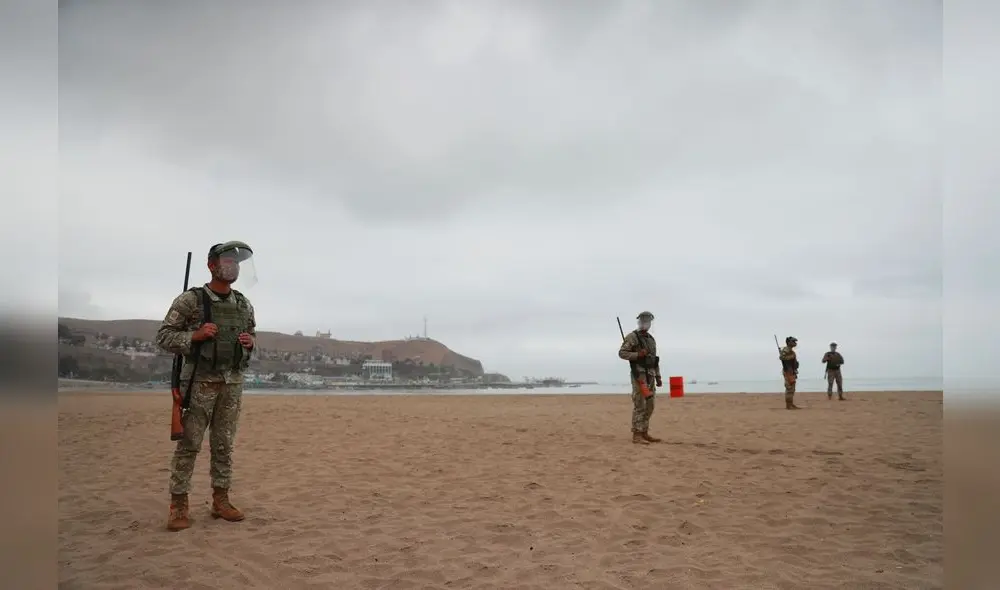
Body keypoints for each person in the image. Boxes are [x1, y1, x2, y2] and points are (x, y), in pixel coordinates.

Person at [155, 241, 258, 532]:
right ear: (212, 265)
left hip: (232, 384)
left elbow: (251, 335)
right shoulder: (192, 301)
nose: (233, 266)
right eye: (227, 260)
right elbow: (164, 336)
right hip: (199, 383)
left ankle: (221, 500)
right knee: (189, 445)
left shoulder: (243, 303)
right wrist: (195, 335)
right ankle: (178, 505)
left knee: (224, 445)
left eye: (237, 262)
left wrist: (250, 344)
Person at [618, 311, 662, 444]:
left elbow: (654, 360)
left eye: (648, 321)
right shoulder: (632, 337)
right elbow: (622, 353)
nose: (646, 323)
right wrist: (637, 355)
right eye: (643, 320)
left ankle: (644, 432)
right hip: (639, 375)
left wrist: (658, 376)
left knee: (650, 405)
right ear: (639, 321)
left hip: (651, 376)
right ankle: (636, 434)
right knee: (640, 404)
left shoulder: (651, 339)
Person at [778, 336, 800, 410]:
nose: (795, 343)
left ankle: (791, 404)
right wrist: (791, 357)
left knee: (792, 389)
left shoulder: (791, 351)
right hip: (788, 371)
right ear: (789, 342)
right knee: (789, 388)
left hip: (792, 371)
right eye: (793, 341)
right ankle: (788, 405)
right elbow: (781, 357)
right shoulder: (786, 350)